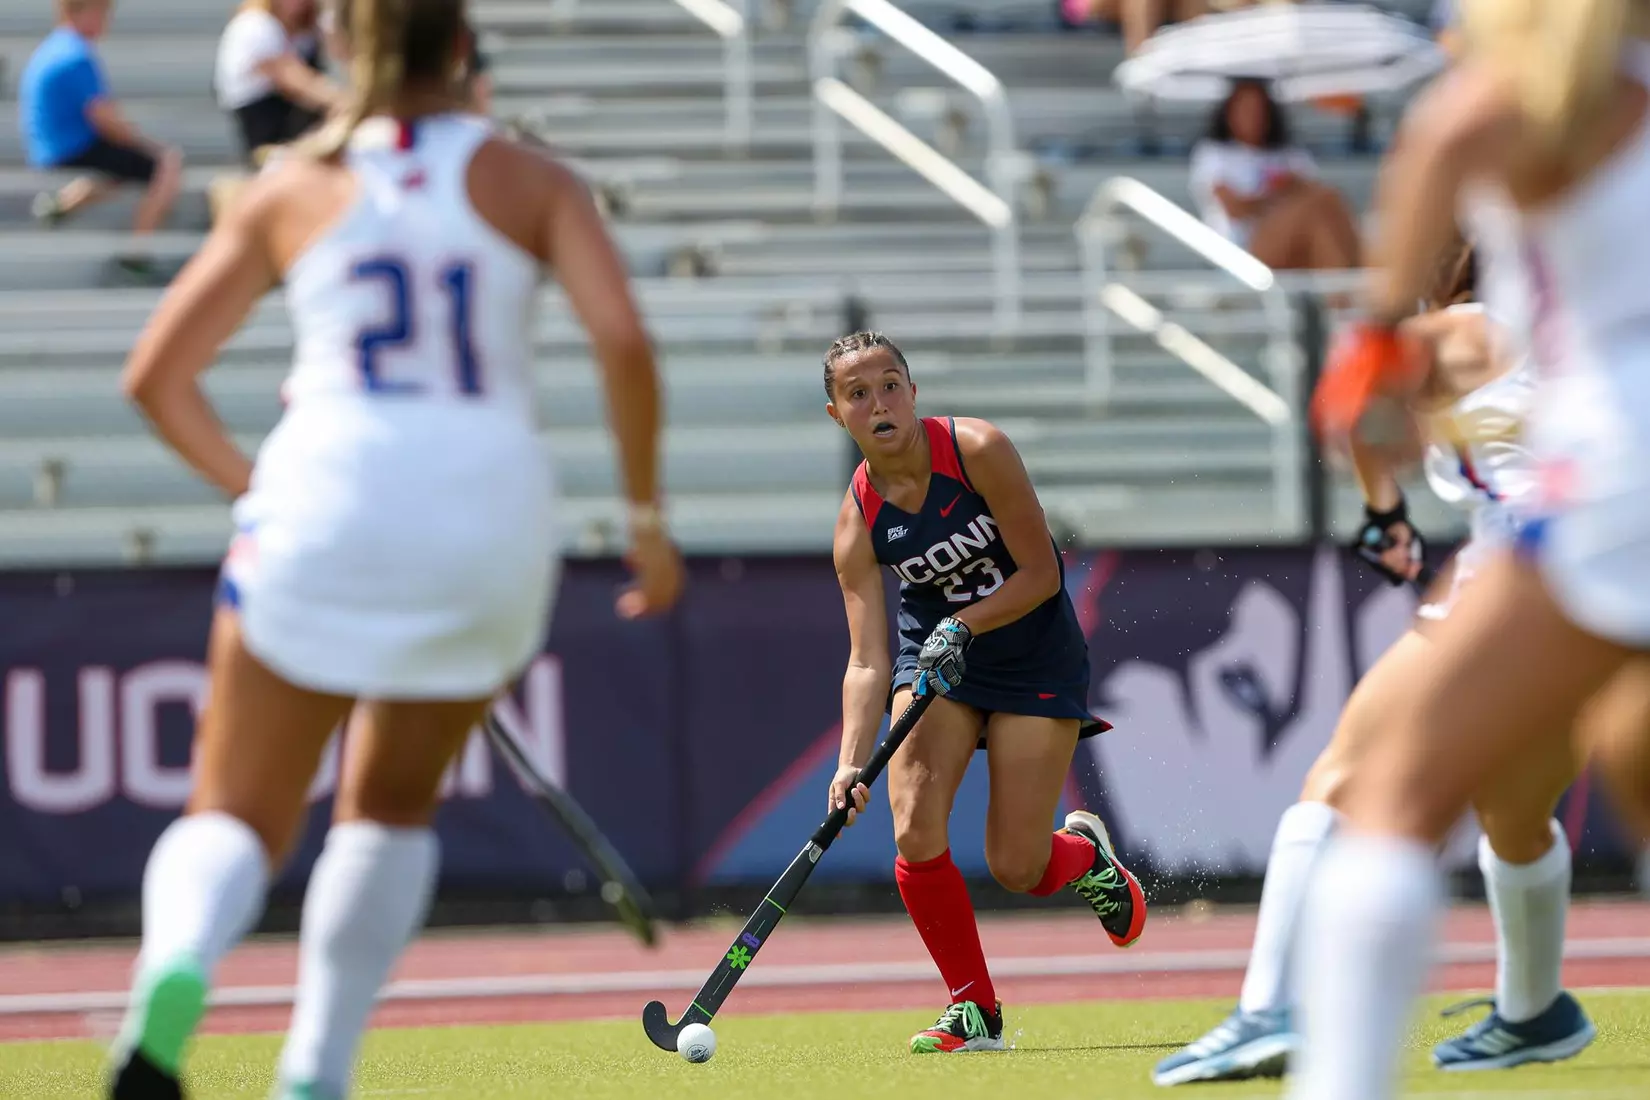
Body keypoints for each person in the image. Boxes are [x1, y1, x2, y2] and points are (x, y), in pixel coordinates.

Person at [106, 0, 682, 1095]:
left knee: (234, 806)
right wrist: (645, 519)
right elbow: (622, 339)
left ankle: (175, 970)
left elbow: (153, 379)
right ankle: (316, 1069)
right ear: (463, 51)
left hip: (324, 496)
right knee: (390, 804)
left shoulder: (290, 183)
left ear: (345, 53)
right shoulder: (533, 179)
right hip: (483, 519)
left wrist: (254, 486)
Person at [1294, 0, 1650, 1097]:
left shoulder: (1486, 113)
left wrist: (1391, 435)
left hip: (1614, 483)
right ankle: (1528, 1009)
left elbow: (1369, 382)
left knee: (1395, 798)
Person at [1152, 242, 1597, 1086]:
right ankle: (1536, 1010)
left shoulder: (1460, 329)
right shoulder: (1592, 333)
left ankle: (1270, 1009)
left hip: (1526, 584)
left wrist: (1384, 512)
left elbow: (1354, 399)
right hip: (1611, 600)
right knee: (1515, 813)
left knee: (1345, 781)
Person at [822, 331, 1147, 1055]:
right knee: (912, 823)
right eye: (859, 393)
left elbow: (1040, 574)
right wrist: (849, 762)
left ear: (913, 390)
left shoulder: (977, 450)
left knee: (1018, 867)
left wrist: (963, 623)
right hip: (935, 665)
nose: (880, 404)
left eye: (891, 384)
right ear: (836, 414)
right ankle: (973, 1009)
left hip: (1033, 654)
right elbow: (868, 659)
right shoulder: (856, 522)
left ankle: (1085, 859)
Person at [19, 0, 182, 280]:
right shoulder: (76, 55)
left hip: (51, 146)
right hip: (70, 147)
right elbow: (105, 118)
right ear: (76, 12)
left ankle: (64, 203)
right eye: (101, 14)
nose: (106, 22)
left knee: (125, 167)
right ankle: (136, 255)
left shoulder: (54, 47)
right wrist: (152, 148)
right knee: (165, 165)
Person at [1187, 78, 1363, 272]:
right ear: (1229, 114)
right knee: (1324, 202)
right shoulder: (1214, 154)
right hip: (1245, 248)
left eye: (1258, 110)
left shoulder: (1290, 153)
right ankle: (1345, 293)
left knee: (1325, 215)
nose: (1252, 117)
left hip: (1298, 246)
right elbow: (1235, 209)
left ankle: (1341, 291)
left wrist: (1281, 194)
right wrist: (1282, 191)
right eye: (1245, 110)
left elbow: (1318, 200)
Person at [215, 0, 345, 166]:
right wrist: (348, 103)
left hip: (295, 124)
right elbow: (295, 80)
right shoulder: (256, 25)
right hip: (268, 127)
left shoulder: (304, 28)